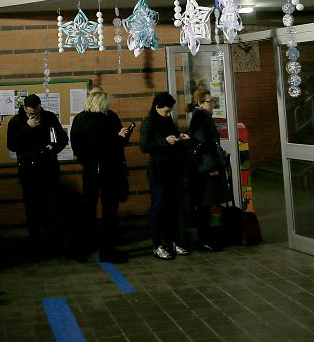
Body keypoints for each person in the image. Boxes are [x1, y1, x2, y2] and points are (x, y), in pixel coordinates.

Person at [70, 89, 133, 263]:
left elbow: (77, 145)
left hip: (90, 170)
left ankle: (84, 247)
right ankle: (107, 249)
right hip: (109, 171)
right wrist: (120, 138)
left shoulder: (80, 119)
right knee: (109, 210)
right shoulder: (108, 118)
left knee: (88, 208)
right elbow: (109, 147)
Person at [6, 94, 68, 253]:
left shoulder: (49, 117)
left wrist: (53, 147)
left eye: (38, 110)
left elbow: (62, 138)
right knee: (32, 207)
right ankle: (35, 241)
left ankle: (54, 240)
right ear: (25, 109)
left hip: (48, 168)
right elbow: (12, 145)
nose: (35, 114)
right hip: (29, 171)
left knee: (52, 205)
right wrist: (27, 127)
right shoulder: (16, 121)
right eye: (32, 112)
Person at [139, 92, 192, 260]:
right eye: (166, 111)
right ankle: (158, 244)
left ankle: (173, 242)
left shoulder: (167, 120)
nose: (169, 114)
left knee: (173, 207)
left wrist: (180, 138)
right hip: (158, 171)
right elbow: (145, 146)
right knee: (159, 207)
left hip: (172, 169)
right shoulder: (149, 122)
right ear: (157, 108)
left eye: (170, 111)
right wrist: (165, 141)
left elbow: (172, 137)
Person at [189, 89, 229, 252]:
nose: (212, 104)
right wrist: (212, 166)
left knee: (207, 204)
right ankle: (204, 239)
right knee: (205, 204)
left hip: (206, 166)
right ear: (199, 103)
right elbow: (204, 144)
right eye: (209, 101)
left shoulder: (202, 118)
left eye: (212, 101)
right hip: (206, 168)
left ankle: (206, 238)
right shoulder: (201, 118)